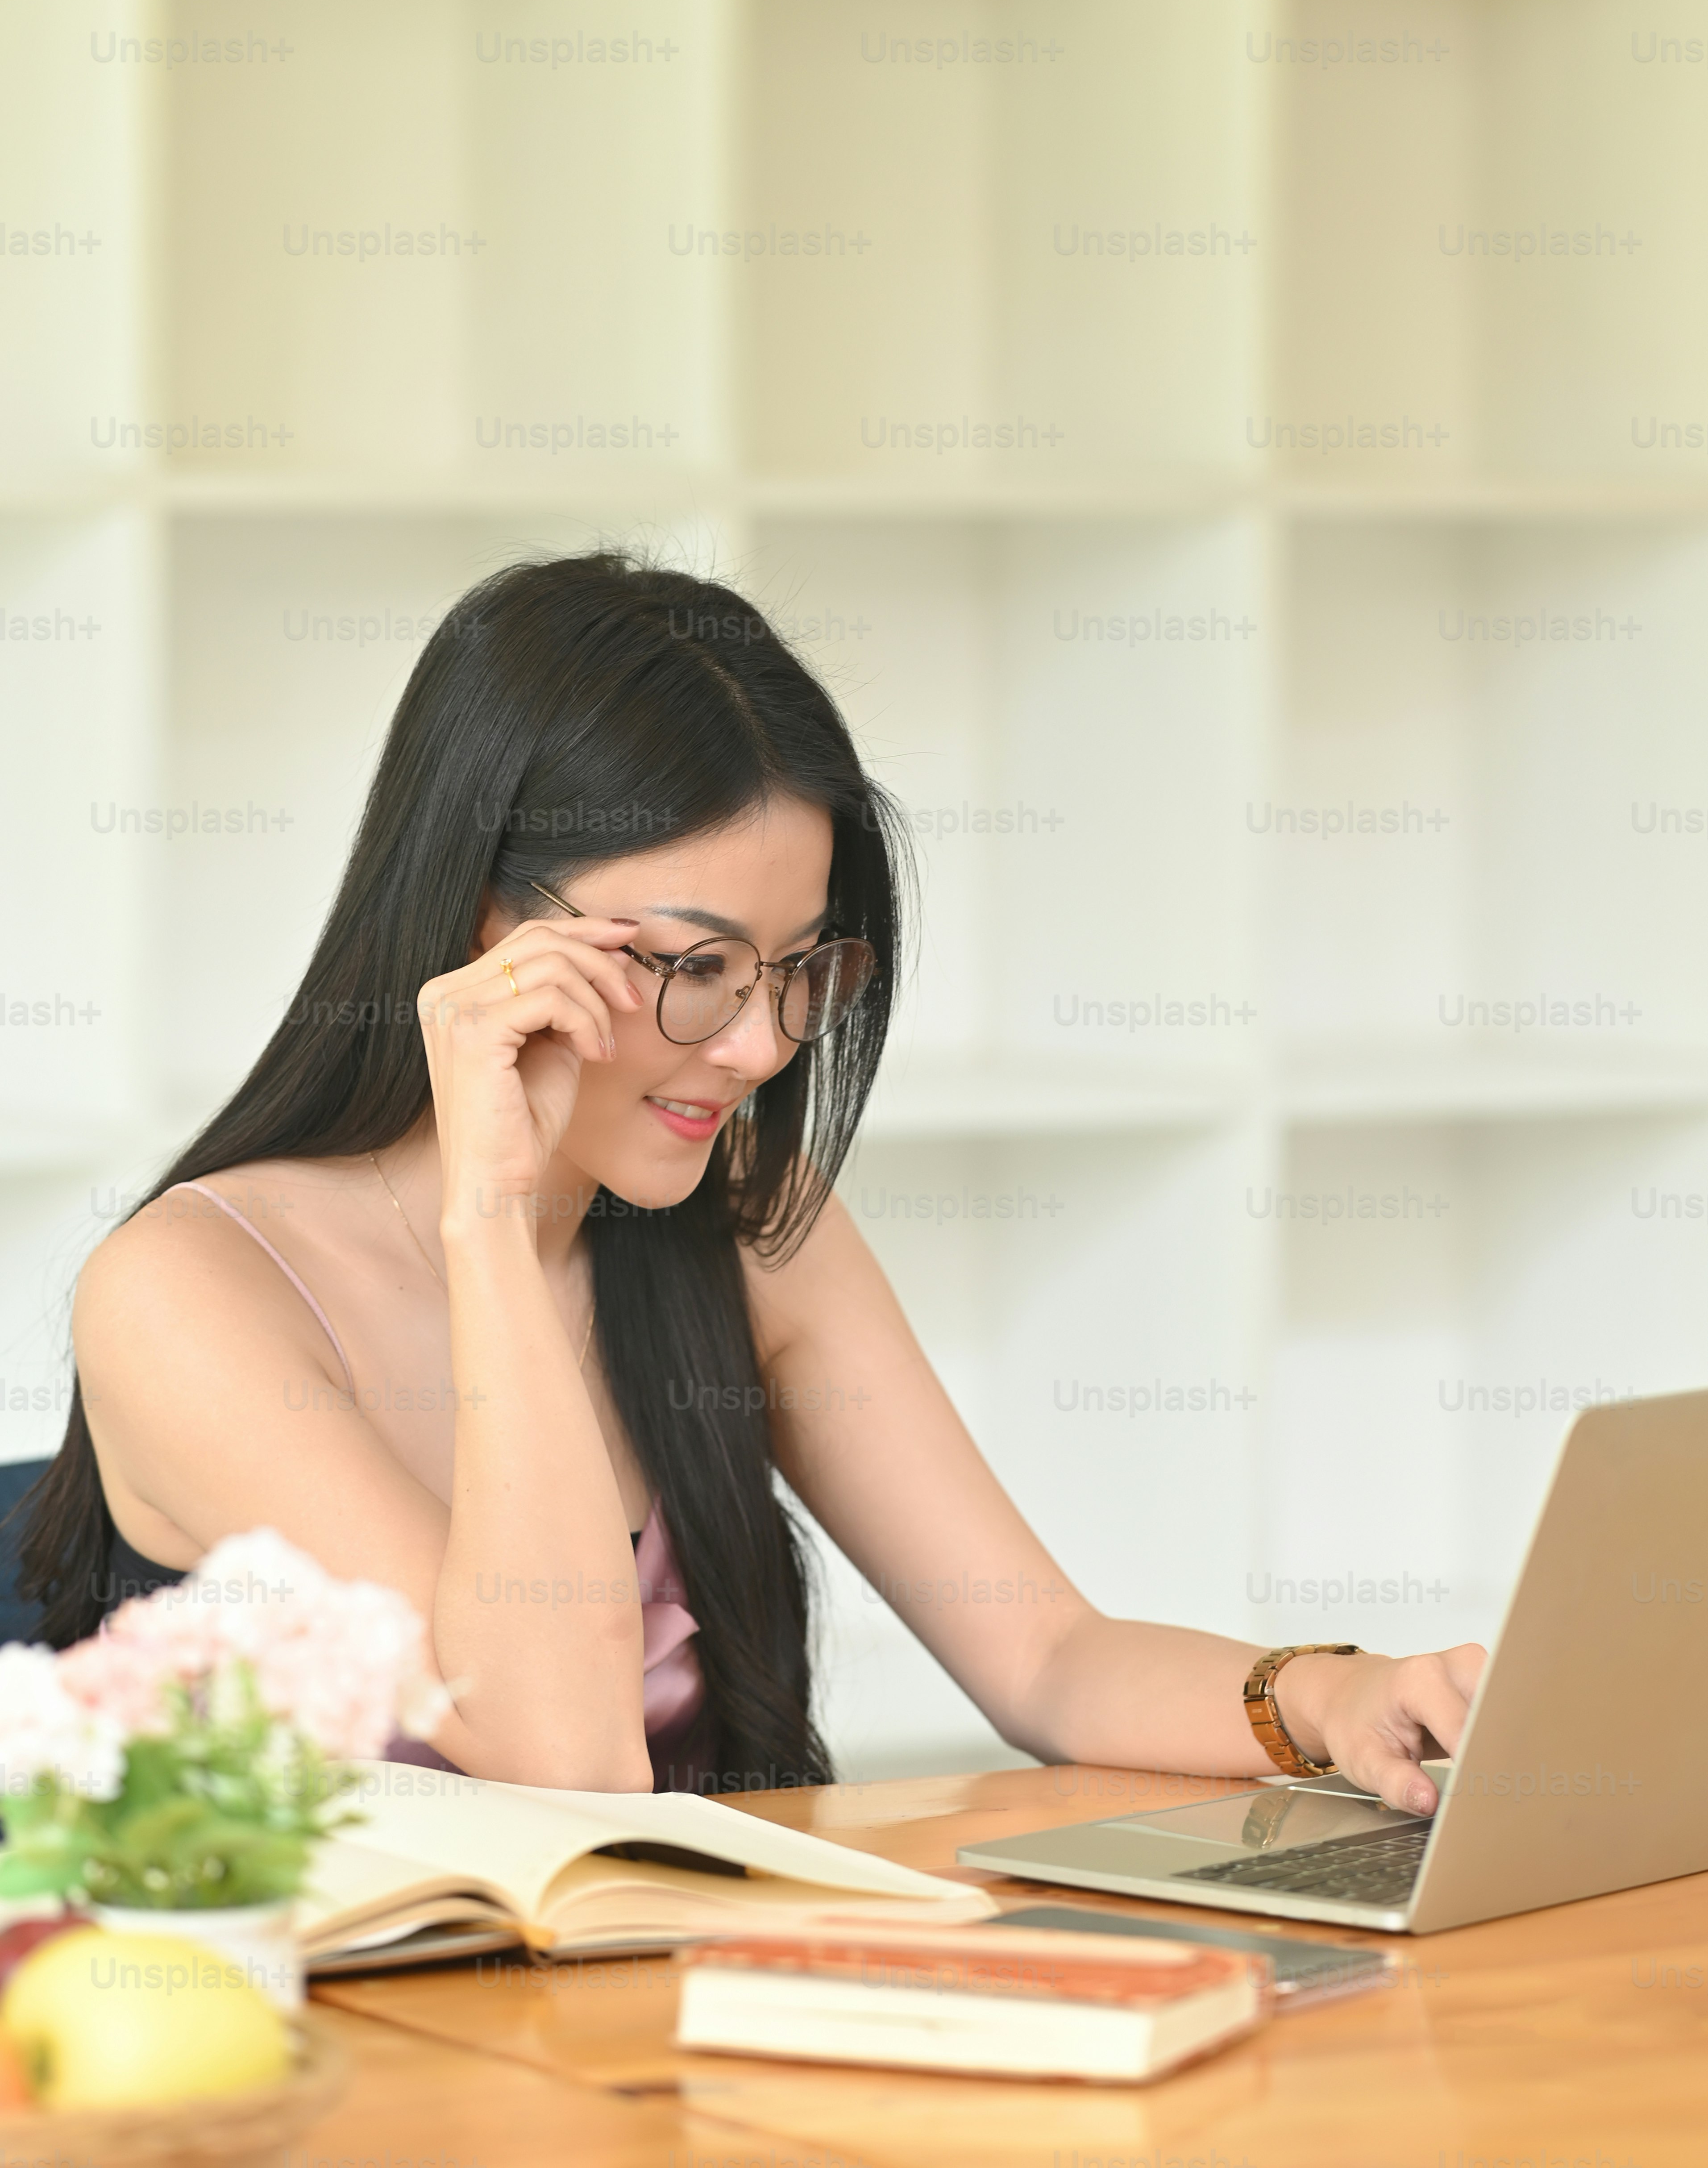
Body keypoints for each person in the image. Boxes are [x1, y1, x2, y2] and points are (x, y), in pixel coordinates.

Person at [20, 553, 1483, 1800]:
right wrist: (492, 1224)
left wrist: (1322, 1698)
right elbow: (560, 1769)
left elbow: (1041, 1653)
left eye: (798, 974)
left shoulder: (745, 1231)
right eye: (694, 967)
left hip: (658, 2026)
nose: (762, 1047)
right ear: (487, 928)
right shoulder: (192, 1294)